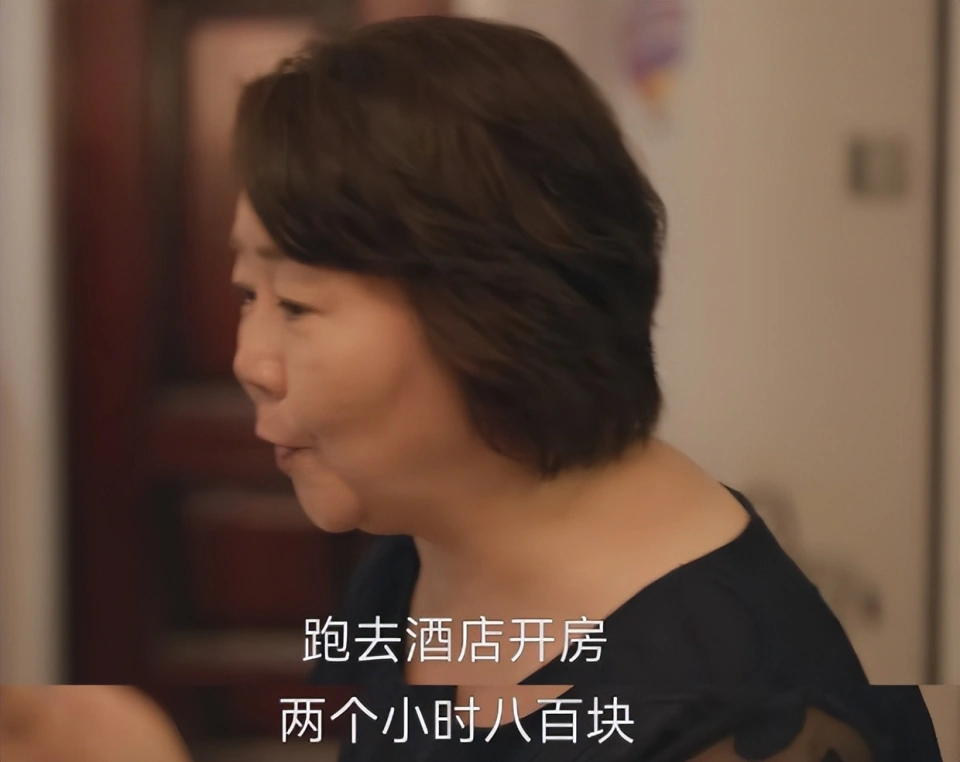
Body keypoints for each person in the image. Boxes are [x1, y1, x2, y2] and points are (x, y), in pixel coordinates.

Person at [227, 14, 942, 762]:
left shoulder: (745, 710)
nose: (251, 361)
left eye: (296, 304)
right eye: (248, 292)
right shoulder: (414, 542)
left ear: (496, 312)